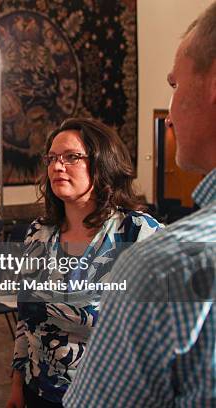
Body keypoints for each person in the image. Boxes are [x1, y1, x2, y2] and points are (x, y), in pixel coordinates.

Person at [64, 3, 216, 407]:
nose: (169, 115)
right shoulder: (38, 233)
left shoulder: (158, 256)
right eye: (51, 158)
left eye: (175, 85)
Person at [7, 118, 162, 408]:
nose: (57, 166)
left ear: (102, 163)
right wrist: (17, 382)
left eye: (71, 157)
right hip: (39, 392)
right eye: (51, 158)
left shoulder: (138, 233)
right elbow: (25, 319)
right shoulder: (38, 232)